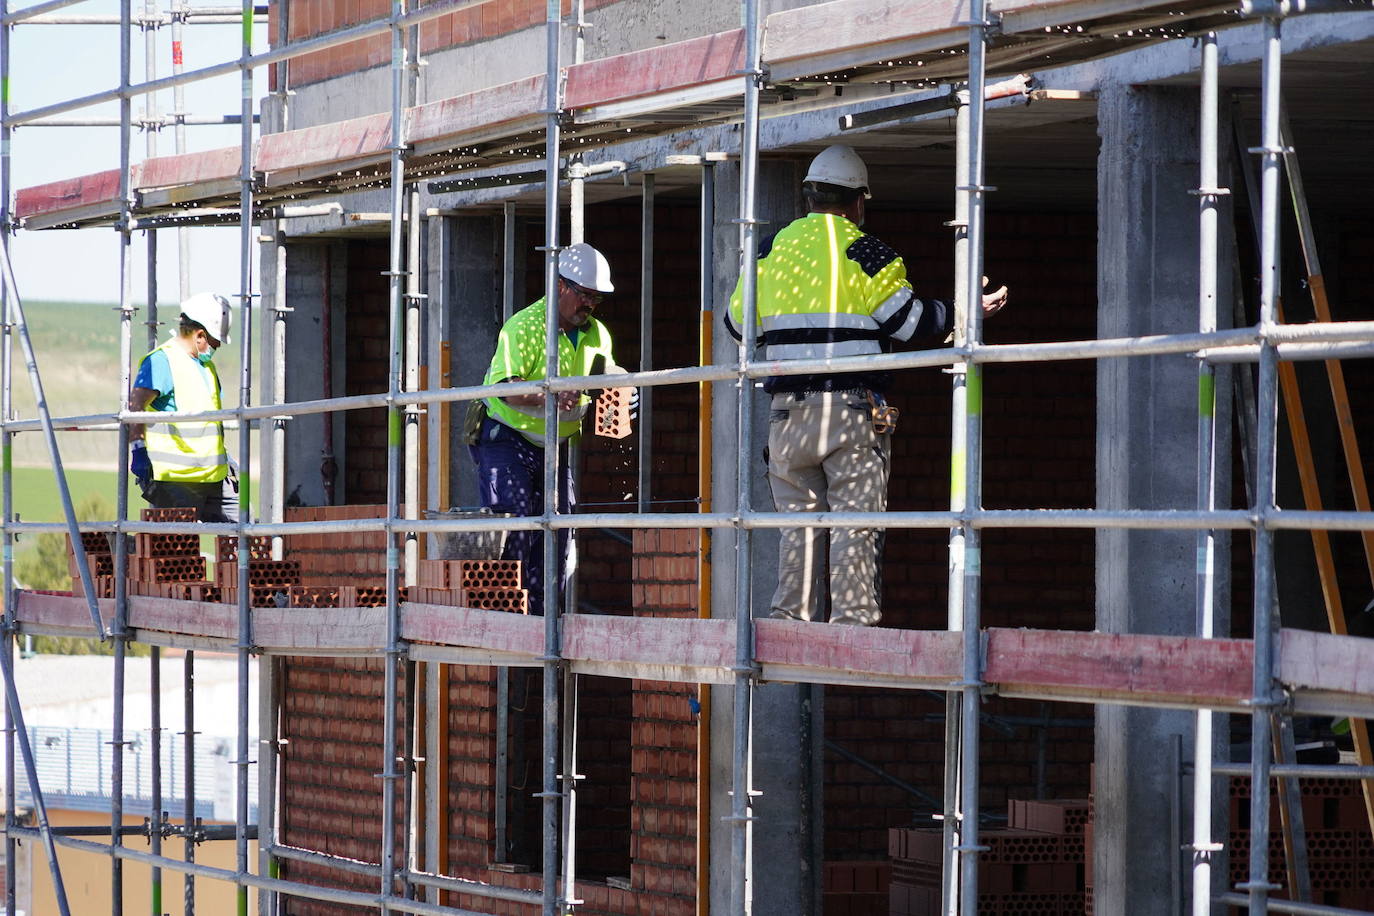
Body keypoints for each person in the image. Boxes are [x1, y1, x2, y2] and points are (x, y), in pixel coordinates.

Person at [726, 144, 1008, 626]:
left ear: (809, 198)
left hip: (786, 417)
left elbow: (738, 326)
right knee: (853, 525)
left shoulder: (769, 249)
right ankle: (852, 627)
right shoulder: (866, 250)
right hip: (848, 413)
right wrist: (963, 310)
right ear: (858, 202)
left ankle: (788, 621)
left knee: (798, 530)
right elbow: (907, 323)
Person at [470, 242, 632, 617]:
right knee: (519, 522)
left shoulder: (596, 335)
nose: (589, 305)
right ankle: (508, 616)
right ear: (560, 286)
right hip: (506, 438)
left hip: (552, 445)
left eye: (596, 298)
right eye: (584, 295)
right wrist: (549, 396)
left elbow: (605, 379)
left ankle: (545, 621)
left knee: (558, 529)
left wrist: (625, 389)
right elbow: (504, 389)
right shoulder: (525, 327)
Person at [129, 292, 238, 523]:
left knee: (244, 530)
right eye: (214, 343)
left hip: (214, 475)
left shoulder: (206, 366)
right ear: (200, 335)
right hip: (176, 479)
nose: (215, 348)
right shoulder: (162, 361)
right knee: (177, 551)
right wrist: (138, 449)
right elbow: (135, 405)